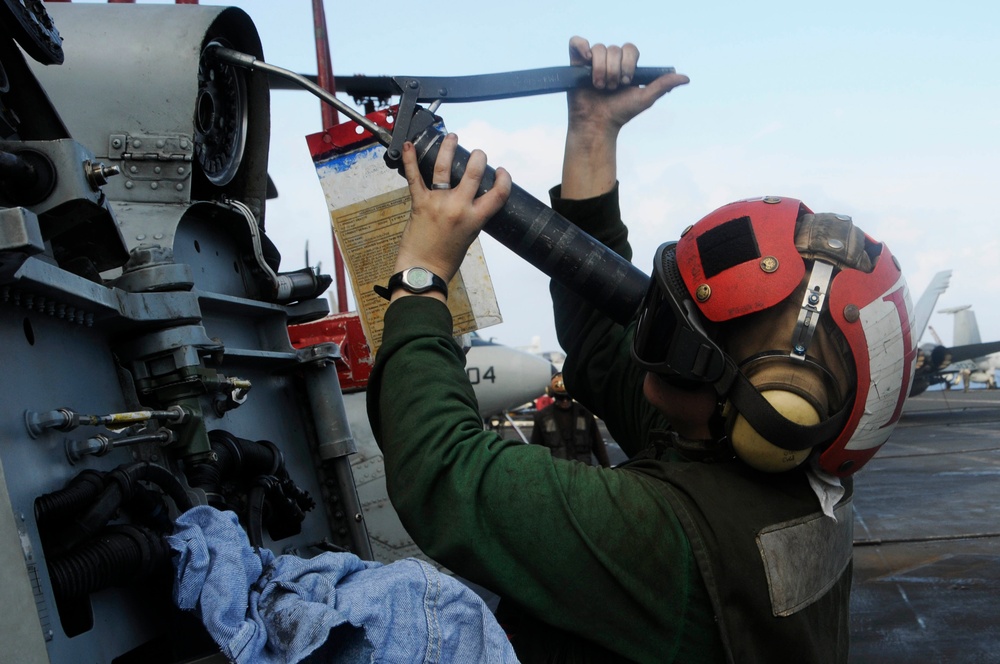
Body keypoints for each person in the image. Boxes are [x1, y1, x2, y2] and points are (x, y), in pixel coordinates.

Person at [367, 37, 913, 663]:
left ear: (771, 410)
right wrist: (593, 132)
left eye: (675, 333)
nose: (651, 341)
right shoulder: (772, 465)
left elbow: (442, 474)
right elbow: (602, 344)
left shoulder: (669, 540)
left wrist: (421, 276)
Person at [531, 372, 612, 467]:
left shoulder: (585, 414)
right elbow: (535, 450)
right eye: (560, 397)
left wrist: (607, 469)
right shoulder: (542, 417)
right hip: (556, 476)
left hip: (582, 474)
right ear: (552, 394)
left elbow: (598, 446)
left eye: (568, 397)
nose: (565, 400)